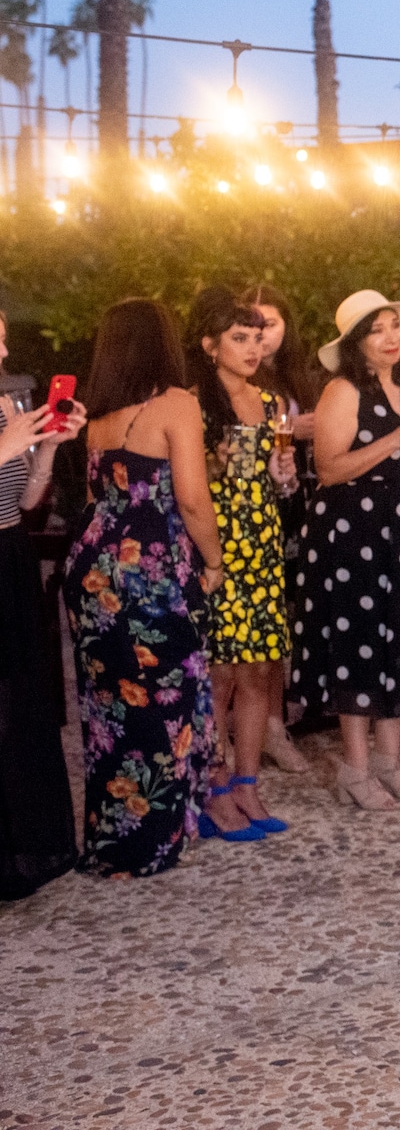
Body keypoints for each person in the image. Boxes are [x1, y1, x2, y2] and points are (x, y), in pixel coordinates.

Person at [62, 299, 230, 876]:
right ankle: (155, 842)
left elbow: (92, 502)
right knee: (164, 699)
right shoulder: (176, 404)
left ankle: (112, 841)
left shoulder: (98, 418)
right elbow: (192, 497)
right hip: (150, 571)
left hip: (91, 569)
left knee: (108, 709)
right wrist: (214, 562)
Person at [294, 290, 400, 809]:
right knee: (358, 644)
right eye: (377, 329)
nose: (391, 337)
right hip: (353, 530)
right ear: (356, 343)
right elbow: (329, 468)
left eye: (393, 326)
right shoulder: (342, 390)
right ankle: (354, 769)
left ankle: (387, 760)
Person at [190, 289, 294, 838]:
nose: (253, 348)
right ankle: (213, 787)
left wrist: (283, 473)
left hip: (262, 538)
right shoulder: (192, 402)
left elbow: (279, 481)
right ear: (210, 345)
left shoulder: (270, 403)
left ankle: (249, 786)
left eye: (257, 338)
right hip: (218, 544)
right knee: (220, 672)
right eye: (239, 338)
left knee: (260, 666)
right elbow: (192, 483)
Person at [0, 308, 86, 897]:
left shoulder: (7, 407)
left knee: (23, 708)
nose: (2, 348)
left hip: (9, 557)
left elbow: (28, 499)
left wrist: (49, 448)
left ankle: (24, 849)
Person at [243, 283, 321, 774]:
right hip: (255, 502)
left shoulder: (301, 376)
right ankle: (266, 724)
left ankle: (282, 716)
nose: (261, 337)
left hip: (302, 500)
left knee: (289, 617)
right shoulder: (233, 382)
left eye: (269, 325)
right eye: (250, 328)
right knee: (262, 623)